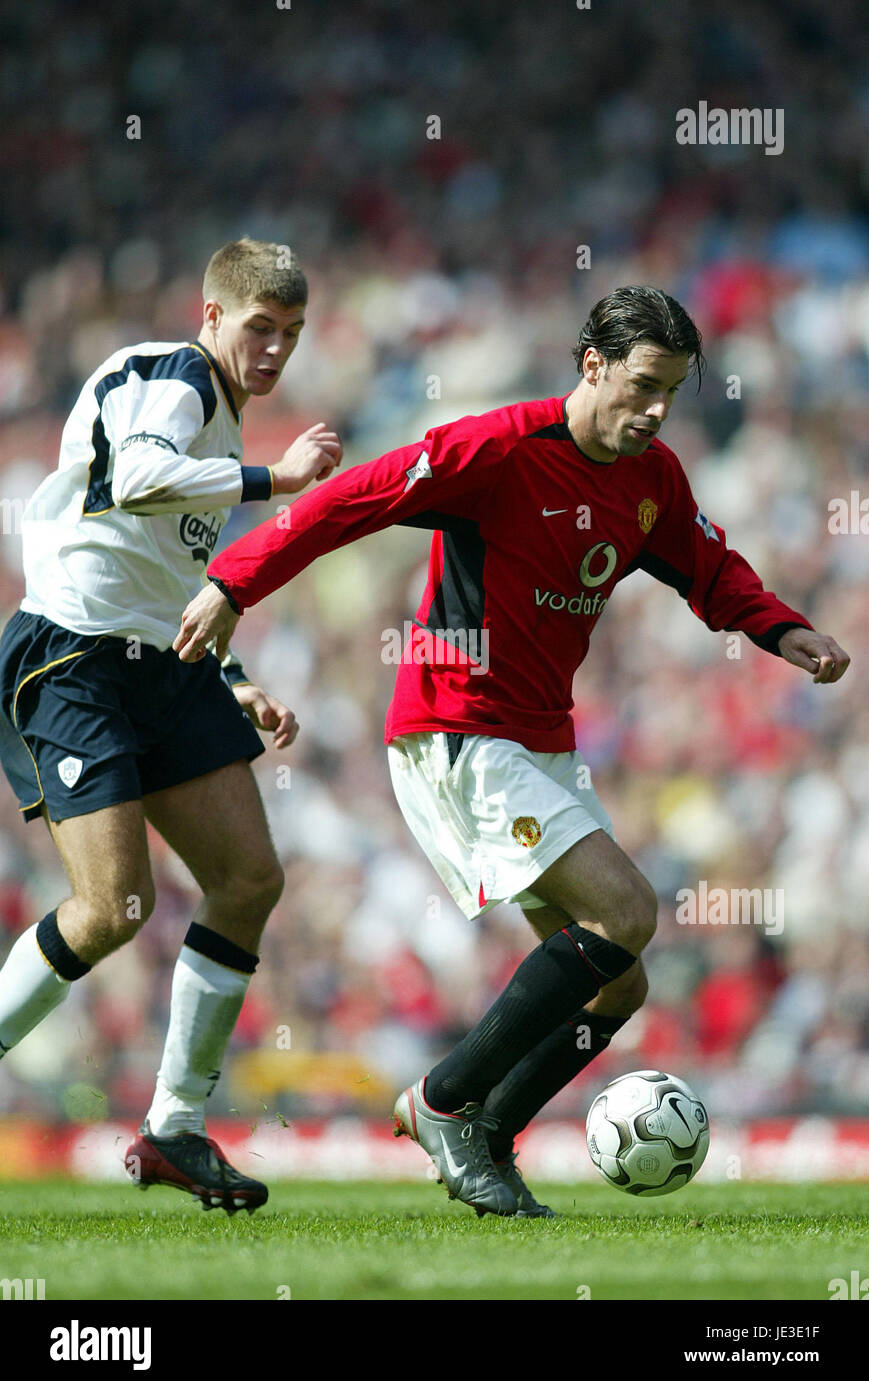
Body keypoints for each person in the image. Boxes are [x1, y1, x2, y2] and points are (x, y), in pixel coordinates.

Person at [173, 285, 850, 1218]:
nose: (655, 411)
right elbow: (348, 501)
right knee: (625, 912)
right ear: (592, 365)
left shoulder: (651, 478)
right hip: (456, 724)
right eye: (643, 386)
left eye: (672, 393)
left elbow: (708, 567)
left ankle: (487, 1138)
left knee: (619, 985)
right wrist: (232, 585)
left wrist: (782, 631)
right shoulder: (494, 450)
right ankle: (444, 1100)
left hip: (539, 741)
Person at [0, 237, 342, 1212]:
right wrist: (278, 481)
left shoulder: (221, 415)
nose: (273, 349)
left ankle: (174, 1128)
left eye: (291, 334)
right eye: (259, 328)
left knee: (246, 878)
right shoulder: (175, 376)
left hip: (164, 661)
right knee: (114, 908)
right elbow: (139, 480)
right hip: (71, 652)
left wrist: (233, 676)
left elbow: (167, 576)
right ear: (211, 317)